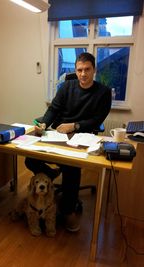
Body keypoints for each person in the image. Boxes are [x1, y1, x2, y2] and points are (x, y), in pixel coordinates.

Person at [25, 52, 112, 232]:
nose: (83, 74)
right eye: (79, 70)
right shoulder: (66, 87)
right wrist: (44, 123)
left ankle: (67, 210)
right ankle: (52, 174)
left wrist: (74, 125)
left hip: (82, 136)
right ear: (75, 70)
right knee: (30, 158)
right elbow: (53, 109)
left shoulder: (103, 93)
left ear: (94, 70)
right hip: (58, 134)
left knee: (71, 168)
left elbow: (97, 120)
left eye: (87, 69)